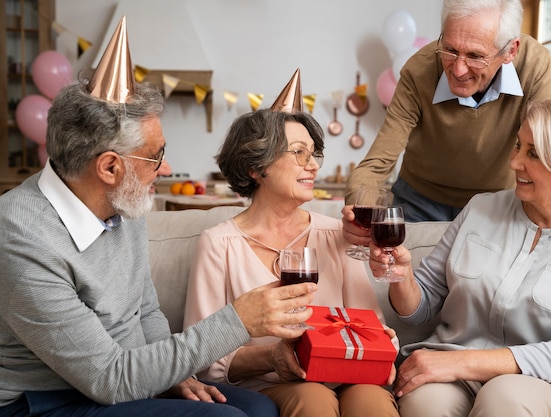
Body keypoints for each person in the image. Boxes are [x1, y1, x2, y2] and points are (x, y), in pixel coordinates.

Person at [0, 17, 316, 417]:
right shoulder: (22, 239)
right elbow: (109, 379)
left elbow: (145, 309)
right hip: (49, 401)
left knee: (259, 409)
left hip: (122, 378)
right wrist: (238, 320)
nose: (165, 170)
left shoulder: (122, 203)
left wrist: (172, 371)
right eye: (155, 157)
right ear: (110, 167)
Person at [367, 93, 551, 417]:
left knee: (504, 396)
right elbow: (422, 307)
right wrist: (401, 277)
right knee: (425, 403)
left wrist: (459, 362)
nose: (515, 162)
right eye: (519, 145)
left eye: (534, 154)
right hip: (456, 372)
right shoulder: (481, 209)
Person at [183, 103, 399, 417]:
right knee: (311, 397)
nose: (312, 165)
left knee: (372, 400)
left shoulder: (337, 233)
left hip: (343, 378)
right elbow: (204, 358)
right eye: (298, 152)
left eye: (314, 154)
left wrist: (382, 348)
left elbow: (369, 326)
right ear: (255, 168)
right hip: (265, 384)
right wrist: (271, 356)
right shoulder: (219, 244)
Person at [345, 0, 551, 223]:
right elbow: (376, 165)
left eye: (475, 56)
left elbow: (545, 154)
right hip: (419, 201)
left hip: (498, 204)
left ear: (510, 51)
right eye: (450, 49)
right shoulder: (419, 71)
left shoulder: (534, 66)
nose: (458, 70)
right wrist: (360, 216)